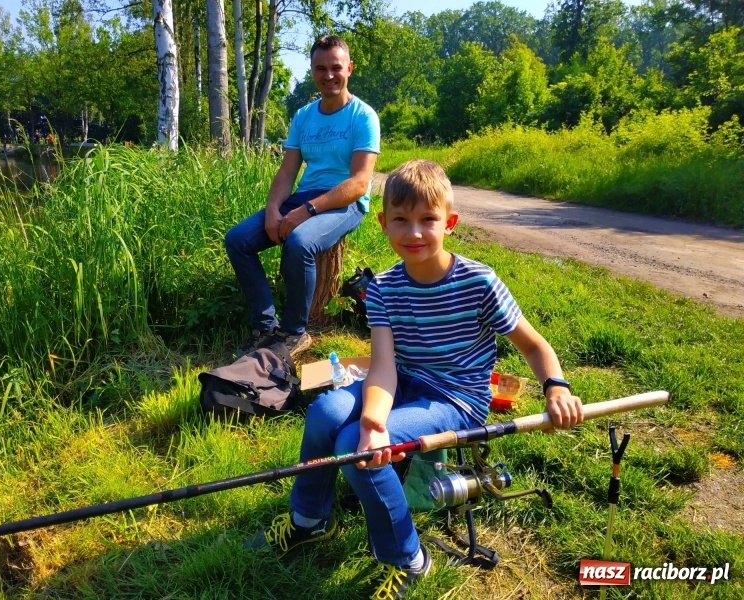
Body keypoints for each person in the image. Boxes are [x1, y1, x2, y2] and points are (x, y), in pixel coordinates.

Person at [245, 159, 584, 599]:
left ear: (450, 223)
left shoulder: (479, 282)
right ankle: (309, 520)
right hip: (403, 380)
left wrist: (557, 387)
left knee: (351, 448)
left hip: (456, 399)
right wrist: (374, 423)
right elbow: (383, 367)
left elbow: (534, 346)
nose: (415, 232)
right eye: (401, 220)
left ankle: (409, 557)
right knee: (326, 412)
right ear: (383, 224)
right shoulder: (383, 288)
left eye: (428, 220)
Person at [225, 35, 380, 357]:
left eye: (336, 67)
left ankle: (294, 332)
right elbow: (286, 172)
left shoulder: (363, 116)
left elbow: (359, 183)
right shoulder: (304, 116)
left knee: (299, 243)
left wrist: (306, 211)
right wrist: (273, 208)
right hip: (305, 196)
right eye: (321, 68)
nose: (329, 75)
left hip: (345, 203)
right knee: (238, 240)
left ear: (349, 68)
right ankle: (265, 326)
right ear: (312, 71)